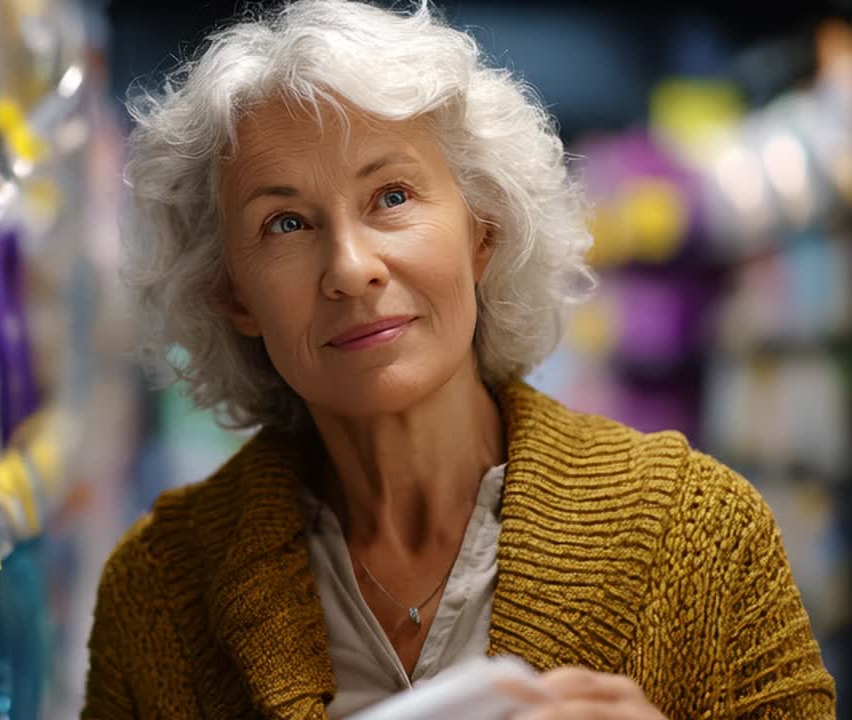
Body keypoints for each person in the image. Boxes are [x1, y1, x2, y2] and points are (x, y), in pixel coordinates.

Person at [82, 1, 836, 718]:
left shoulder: (700, 531)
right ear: (233, 295)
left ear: (484, 231)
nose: (351, 266)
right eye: (284, 222)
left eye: (392, 196)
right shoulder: (160, 589)